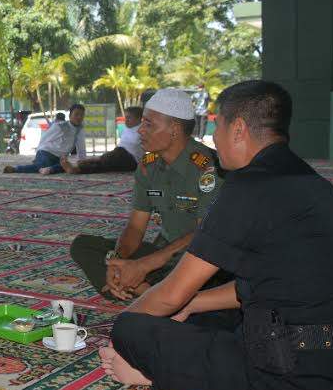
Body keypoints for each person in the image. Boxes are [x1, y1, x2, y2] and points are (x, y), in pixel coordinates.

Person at [100, 80, 333, 390]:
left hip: (292, 379)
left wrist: (125, 327)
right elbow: (257, 284)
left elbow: (171, 294)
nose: (214, 139)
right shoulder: (313, 182)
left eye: (219, 127)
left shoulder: (248, 185)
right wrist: (191, 305)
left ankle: (153, 375)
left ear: (238, 129)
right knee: (199, 314)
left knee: (131, 329)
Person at [70, 89, 227, 301]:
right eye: (142, 123)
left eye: (149, 124)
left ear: (174, 129)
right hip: (161, 255)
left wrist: (145, 264)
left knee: (210, 274)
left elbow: (205, 235)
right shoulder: (148, 165)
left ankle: (149, 293)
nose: (140, 131)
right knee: (83, 245)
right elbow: (135, 227)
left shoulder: (208, 168)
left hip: (198, 258)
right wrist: (118, 261)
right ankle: (143, 290)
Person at [3, 105, 86, 175]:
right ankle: (15, 169)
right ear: (70, 115)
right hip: (46, 153)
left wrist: (82, 162)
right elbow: (44, 139)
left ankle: (50, 169)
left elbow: (81, 147)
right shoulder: (60, 126)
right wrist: (38, 154)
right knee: (43, 165)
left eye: (82, 115)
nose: (79, 117)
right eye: (76, 114)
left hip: (60, 158)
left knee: (68, 165)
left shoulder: (80, 130)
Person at [62, 106, 143, 174]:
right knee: (108, 161)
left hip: (132, 159)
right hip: (119, 154)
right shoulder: (127, 129)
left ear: (138, 118)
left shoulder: (144, 130)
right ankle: (86, 163)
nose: (126, 120)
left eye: (129, 118)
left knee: (105, 163)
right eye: (126, 117)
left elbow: (152, 151)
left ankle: (78, 168)